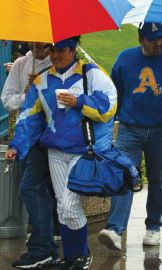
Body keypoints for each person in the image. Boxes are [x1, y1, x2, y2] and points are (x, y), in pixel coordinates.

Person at [5, 36, 117, 270]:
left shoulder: (91, 74)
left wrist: (79, 101)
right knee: (62, 207)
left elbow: (110, 105)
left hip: (81, 151)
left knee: (68, 205)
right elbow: (29, 118)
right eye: (53, 50)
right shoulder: (42, 81)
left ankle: (81, 255)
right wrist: (17, 145)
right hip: (55, 151)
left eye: (62, 50)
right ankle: (70, 259)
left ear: (73, 49)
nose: (56, 55)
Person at [98, 22, 162, 250]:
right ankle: (115, 229)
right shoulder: (125, 59)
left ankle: (153, 228)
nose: (158, 43)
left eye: (160, 38)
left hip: (161, 130)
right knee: (125, 176)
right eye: (152, 39)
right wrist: (116, 117)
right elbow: (114, 91)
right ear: (141, 40)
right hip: (130, 129)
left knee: (158, 180)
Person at [1, 42, 59, 269]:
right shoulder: (21, 65)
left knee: (40, 190)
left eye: (45, 46)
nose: (40, 50)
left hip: (52, 137)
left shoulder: (58, 64)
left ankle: (44, 245)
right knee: (31, 190)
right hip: (28, 137)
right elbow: (7, 100)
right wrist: (27, 94)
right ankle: (43, 244)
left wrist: (40, 89)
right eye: (35, 45)